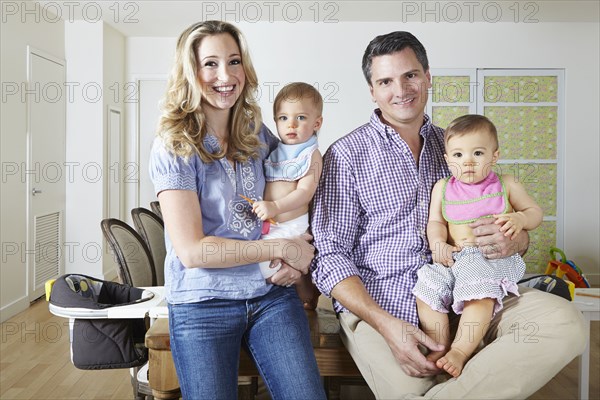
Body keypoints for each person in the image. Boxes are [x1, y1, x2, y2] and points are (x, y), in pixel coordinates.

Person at [311, 30, 586, 399]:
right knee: (413, 392)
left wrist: (514, 237)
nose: (401, 89)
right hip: (387, 308)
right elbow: (329, 256)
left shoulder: (461, 146)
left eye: (410, 75)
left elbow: (517, 225)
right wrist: (387, 326)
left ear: (427, 77)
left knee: (564, 323)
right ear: (372, 91)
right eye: (385, 81)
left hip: (476, 293)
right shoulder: (346, 156)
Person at [149, 21, 326, 400]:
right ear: (190, 73)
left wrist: (297, 258)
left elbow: (294, 198)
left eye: (233, 61)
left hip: (269, 295)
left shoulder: (256, 131)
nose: (225, 75)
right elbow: (193, 251)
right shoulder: (174, 146)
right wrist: (281, 249)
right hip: (202, 303)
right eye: (209, 64)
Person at [413, 114, 543, 378]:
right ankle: (439, 345)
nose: (468, 162)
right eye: (458, 155)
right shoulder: (443, 188)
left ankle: (461, 350)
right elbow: (436, 221)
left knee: (479, 293)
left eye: (478, 153)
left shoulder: (506, 184)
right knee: (427, 286)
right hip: (454, 258)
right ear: (448, 159)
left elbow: (535, 212)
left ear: (494, 156)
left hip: (489, 259)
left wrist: (520, 217)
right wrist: (438, 243)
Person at [251, 82, 324, 310]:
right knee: (257, 261)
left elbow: (304, 193)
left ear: (316, 123)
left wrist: (274, 206)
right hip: (270, 224)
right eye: (283, 118)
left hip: (292, 224)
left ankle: (305, 296)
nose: (291, 124)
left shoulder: (311, 155)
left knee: (266, 267)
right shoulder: (274, 151)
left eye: (300, 117)